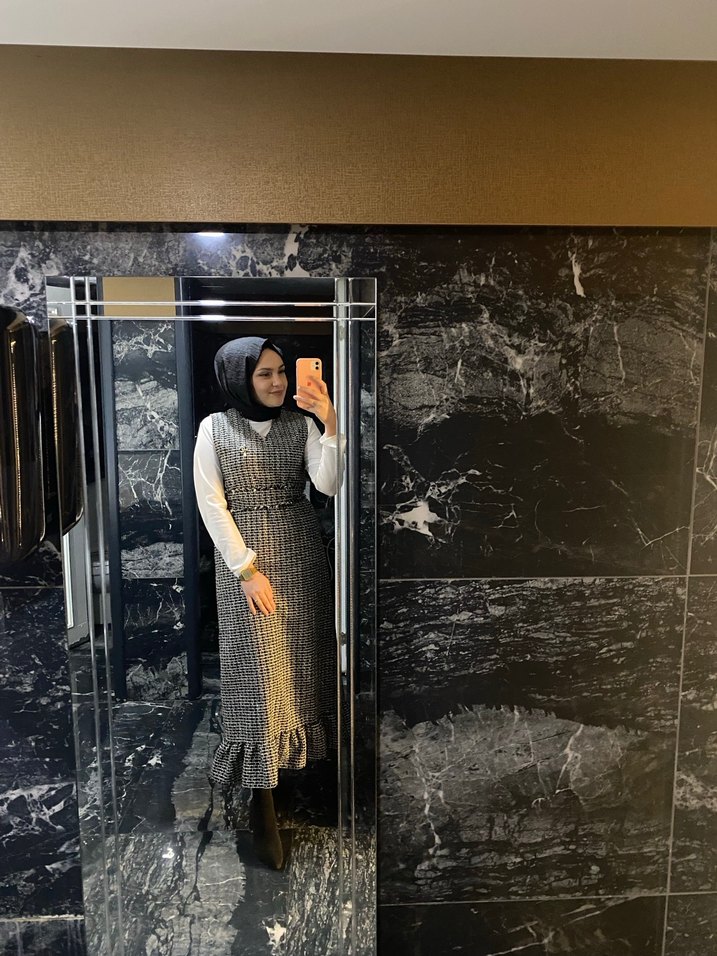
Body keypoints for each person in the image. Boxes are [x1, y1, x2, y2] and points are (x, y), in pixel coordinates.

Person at [192, 336, 341, 870]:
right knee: (256, 673)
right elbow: (212, 504)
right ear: (239, 379)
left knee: (297, 665)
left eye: (281, 371)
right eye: (264, 374)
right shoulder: (214, 428)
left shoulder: (300, 425)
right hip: (246, 563)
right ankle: (262, 799)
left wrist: (329, 421)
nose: (277, 382)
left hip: (300, 552)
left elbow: (327, 485)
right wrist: (247, 571)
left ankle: (292, 768)